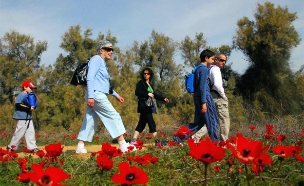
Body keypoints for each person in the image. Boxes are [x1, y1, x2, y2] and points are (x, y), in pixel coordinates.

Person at [76, 40, 135, 154]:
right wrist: (91, 97)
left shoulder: (102, 63)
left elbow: (104, 84)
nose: (111, 51)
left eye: (112, 49)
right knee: (113, 115)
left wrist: (116, 95)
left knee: (90, 120)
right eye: (108, 49)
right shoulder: (96, 59)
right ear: (101, 50)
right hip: (95, 94)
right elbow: (90, 78)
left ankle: (80, 145)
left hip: (96, 93)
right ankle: (123, 145)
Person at [192, 53, 230, 142]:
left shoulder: (208, 69)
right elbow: (217, 84)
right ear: (216, 60)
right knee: (224, 120)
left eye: (225, 61)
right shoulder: (216, 69)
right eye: (221, 60)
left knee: (213, 121)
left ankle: (195, 137)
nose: (223, 62)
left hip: (210, 97)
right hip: (218, 96)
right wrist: (223, 95)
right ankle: (224, 142)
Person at [131, 67, 169, 147]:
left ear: (150, 75)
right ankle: (157, 142)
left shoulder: (149, 84)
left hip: (148, 107)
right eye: (144, 73)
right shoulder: (141, 83)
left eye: (147, 74)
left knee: (141, 124)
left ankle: (133, 141)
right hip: (144, 106)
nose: (146, 75)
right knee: (152, 123)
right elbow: (137, 92)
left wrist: (163, 98)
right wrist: (147, 94)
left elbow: (155, 95)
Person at [191, 49, 219, 142]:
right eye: (212, 59)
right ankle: (216, 142)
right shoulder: (203, 69)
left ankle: (180, 136)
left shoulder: (197, 69)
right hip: (205, 97)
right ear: (206, 58)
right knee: (212, 120)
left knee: (199, 122)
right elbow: (203, 86)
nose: (213, 61)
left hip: (198, 96)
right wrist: (204, 102)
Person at [7, 80, 40, 152]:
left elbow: (33, 104)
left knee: (31, 132)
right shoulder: (21, 95)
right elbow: (18, 104)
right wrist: (29, 107)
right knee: (19, 133)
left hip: (28, 117)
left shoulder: (30, 95)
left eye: (32, 88)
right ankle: (11, 147)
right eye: (30, 88)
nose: (31, 89)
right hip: (22, 117)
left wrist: (33, 106)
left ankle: (32, 147)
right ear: (25, 87)